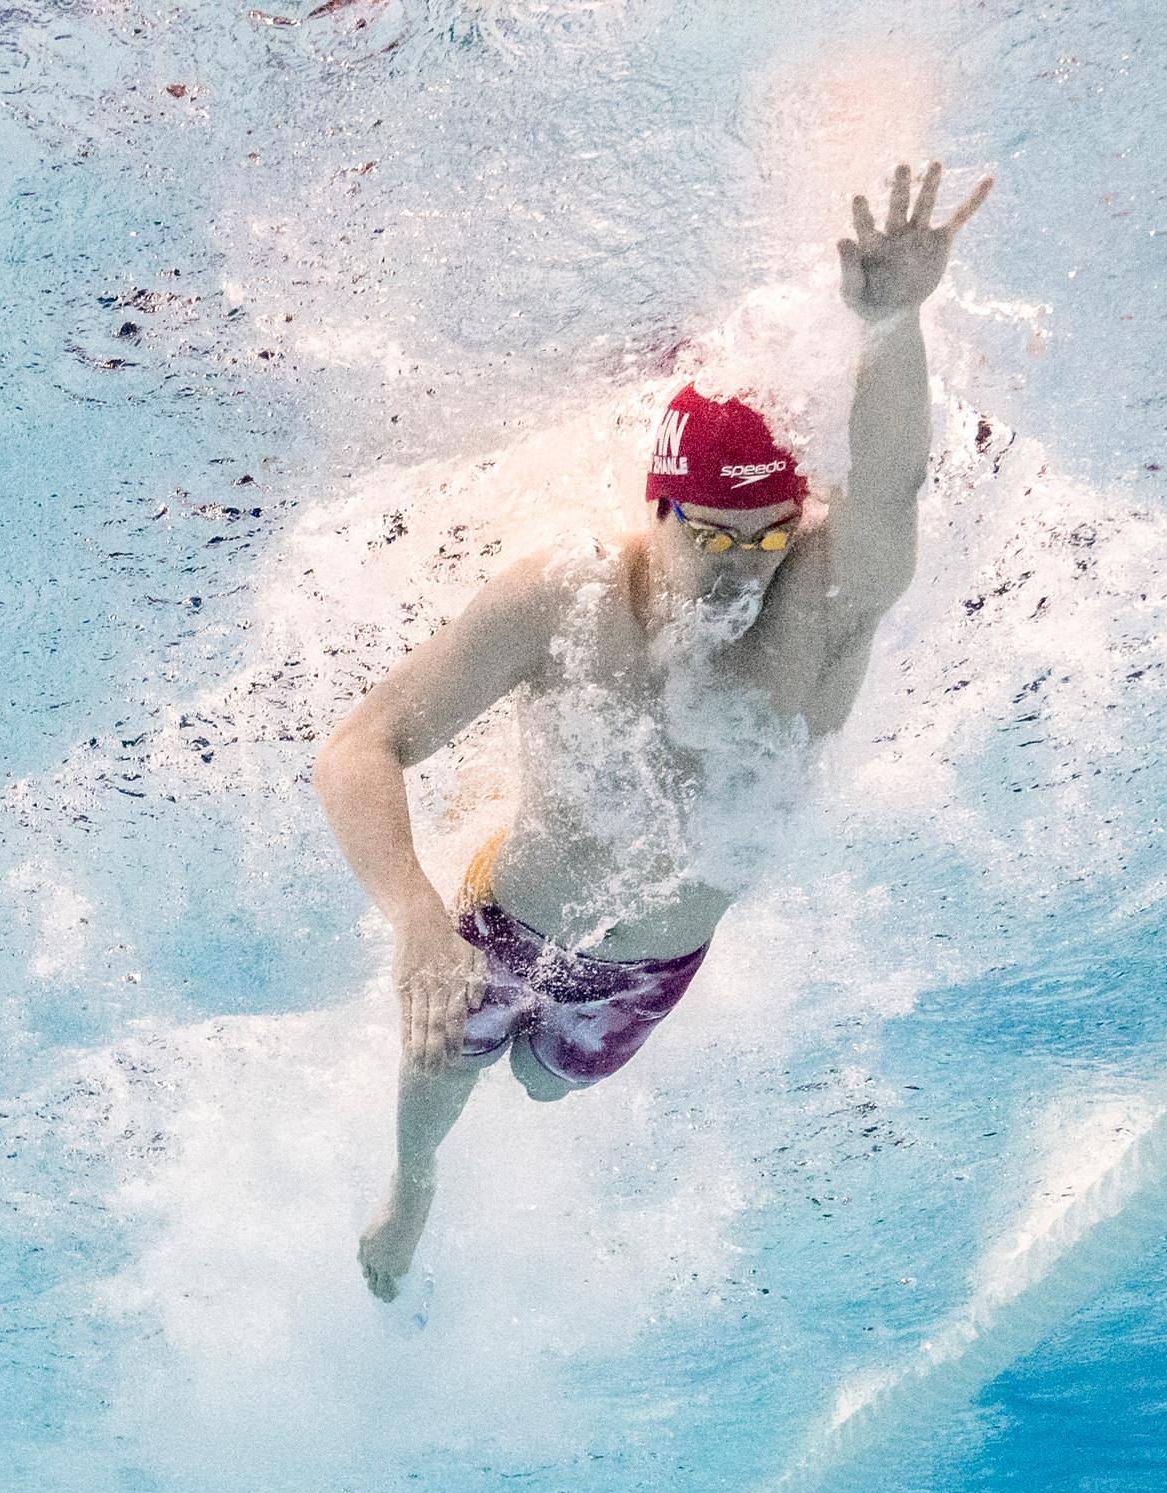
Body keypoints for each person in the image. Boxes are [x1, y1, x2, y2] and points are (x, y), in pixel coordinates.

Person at [313, 159, 993, 1299]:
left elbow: (890, 488)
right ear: (656, 509)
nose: (742, 567)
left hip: (650, 971)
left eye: (767, 535)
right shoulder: (566, 593)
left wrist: (893, 325)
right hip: (498, 928)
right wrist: (413, 919)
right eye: (712, 538)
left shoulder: (821, 602)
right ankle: (412, 1185)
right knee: (440, 1077)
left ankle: (479, 1094)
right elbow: (356, 747)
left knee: (542, 1084)